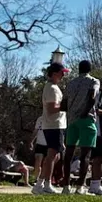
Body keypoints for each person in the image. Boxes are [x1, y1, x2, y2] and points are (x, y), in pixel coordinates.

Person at [59, 60, 100, 195]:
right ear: (89, 69)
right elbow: (92, 97)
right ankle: (80, 186)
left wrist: (72, 111)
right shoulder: (93, 81)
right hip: (86, 119)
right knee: (85, 155)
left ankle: (66, 185)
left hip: (71, 121)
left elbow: (63, 104)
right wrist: (85, 111)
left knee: (69, 153)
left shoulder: (70, 83)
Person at [33, 62, 68, 195]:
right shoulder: (52, 89)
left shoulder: (53, 87)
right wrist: (66, 105)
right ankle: (45, 183)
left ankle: (41, 182)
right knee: (52, 155)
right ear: (54, 74)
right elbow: (52, 108)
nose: (63, 75)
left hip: (56, 125)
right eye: (61, 73)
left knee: (55, 156)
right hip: (54, 125)